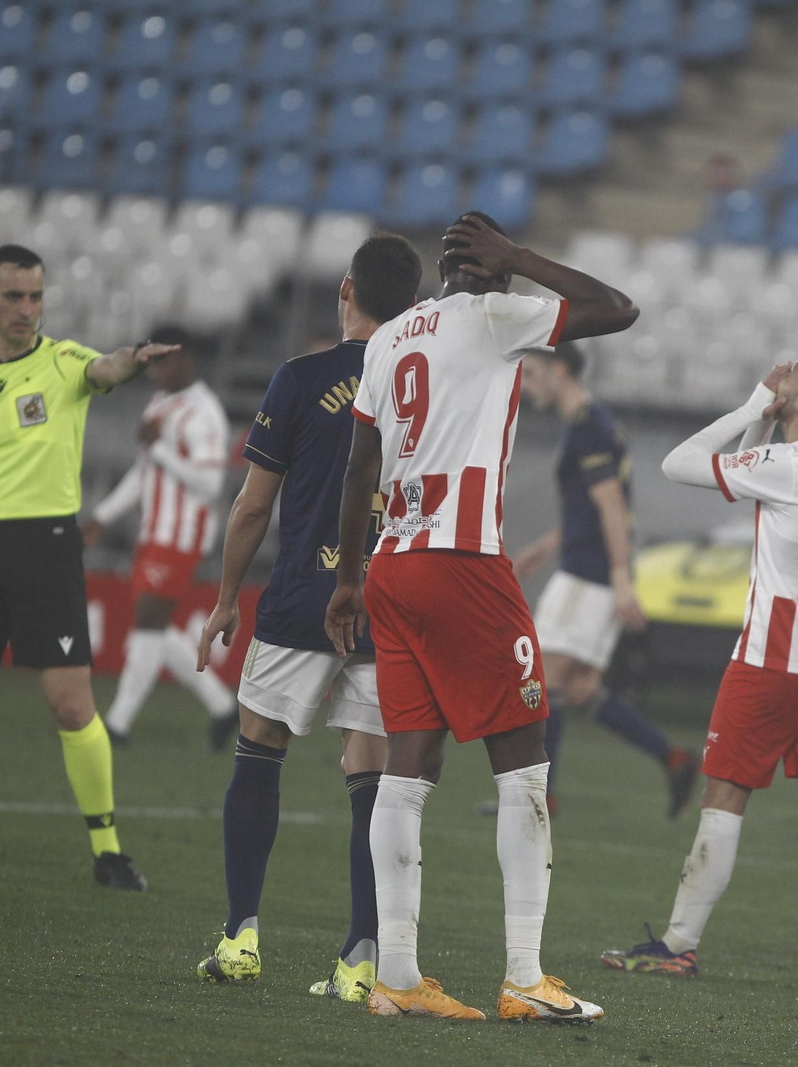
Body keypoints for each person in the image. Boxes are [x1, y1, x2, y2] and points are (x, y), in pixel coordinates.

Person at [326, 212, 638, 1023]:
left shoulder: (390, 338)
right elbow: (618, 306)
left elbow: (360, 463)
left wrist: (349, 578)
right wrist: (526, 259)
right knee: (525, 765)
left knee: (409, 765)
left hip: (390, 565)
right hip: (463, 562)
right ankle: (525, 976)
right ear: (494, 270)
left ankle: (396, 973)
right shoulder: (498, 315)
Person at [601, 350, 798, 995]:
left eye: (793, 374)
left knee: (725, 794)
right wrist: (765, 421)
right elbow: (752, 475)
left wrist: (749, 407)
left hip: (774, 655)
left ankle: (678, 946)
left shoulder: (789, 464)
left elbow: (677, 463)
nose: (781, 371)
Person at [191, 234, 423, 1001]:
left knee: (259, 748)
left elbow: (254, 502)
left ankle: (240, 934)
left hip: (301, 597)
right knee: (372, 773)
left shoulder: (300, 378)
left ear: (347, 289)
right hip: (389, 602)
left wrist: (226, 597)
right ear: (415, 305)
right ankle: (359, 957)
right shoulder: (427, 389)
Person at [0, 243, 171, 889]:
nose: (27, 308)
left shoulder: (63, 362)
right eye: (14, 295)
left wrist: (128, 361)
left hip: (47, 547)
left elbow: (105, 371)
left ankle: (109, 849)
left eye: (35, 296)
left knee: (68, 703)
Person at [508, 340, 698, 818]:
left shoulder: (589, 427)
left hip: (589, 575)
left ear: (558, 372)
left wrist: (619, 577)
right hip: (589, 567)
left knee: (541, 679)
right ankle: (673, 758)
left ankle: (538, 800)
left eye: (531, 375)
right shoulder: (591, 422)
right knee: (580, 688)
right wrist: (549, 544)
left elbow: (612, 505)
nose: (526, 386)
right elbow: (591, 504)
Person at [84, 325, 236, 749]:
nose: (152, 371)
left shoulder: (204, 412)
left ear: (184, 358)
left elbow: (209, 483)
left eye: (160, 361)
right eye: (148, 361)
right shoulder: (159, 404)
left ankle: (116, 725)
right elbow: (144, 470)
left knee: (147, 623)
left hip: (183, 533)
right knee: (153, 626)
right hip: (156, 531)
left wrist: (163, 450)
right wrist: (103, 515)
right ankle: (224, 708)